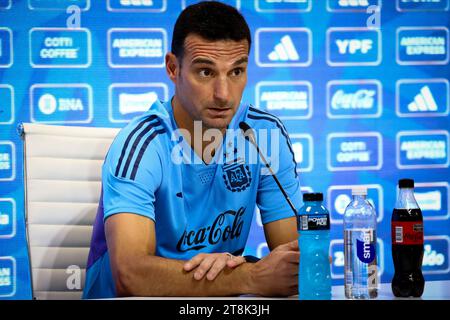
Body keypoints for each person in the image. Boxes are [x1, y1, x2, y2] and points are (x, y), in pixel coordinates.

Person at [83, 1, 302, 299]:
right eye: (205, 72)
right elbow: (131, 276)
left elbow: (299, 261)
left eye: (236, 71)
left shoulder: (264, 136)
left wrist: (243, 270)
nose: (224, 95)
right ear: (173, 68)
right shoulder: (142, 143)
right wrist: (248, 277)